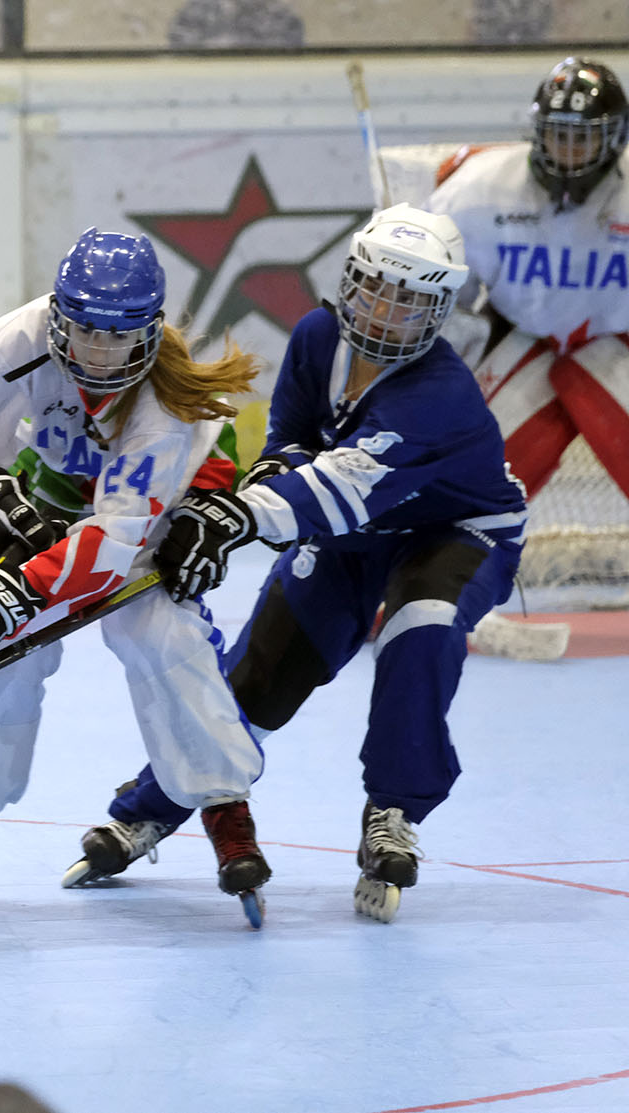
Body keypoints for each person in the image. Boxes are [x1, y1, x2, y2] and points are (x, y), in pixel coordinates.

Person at [144, 203, 527, 922]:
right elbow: (288, 441)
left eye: (412, 300)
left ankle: (392, 809)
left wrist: (238, 517)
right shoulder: (317, 336)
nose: (387, 311)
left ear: (440, 312)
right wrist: (248, 496)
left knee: (422, 629)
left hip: (454, 532)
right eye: (377, 287)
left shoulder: (439, 392)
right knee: (264, 671)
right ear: (350, 279)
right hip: (356, 530)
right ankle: (149, 808)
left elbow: (337, 485)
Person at [0, 229, 271, 924]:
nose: (98, 353)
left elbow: (115, 541)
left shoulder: (163, 405)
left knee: (168, 642)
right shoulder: (16, 338)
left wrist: (15, 592)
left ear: (150, 330)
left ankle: (226, 812)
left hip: (158, 518)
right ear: (58, 314)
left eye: (118, 337)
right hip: (53, 508)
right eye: (84, 330)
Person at [426, 56, 629, 525]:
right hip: (523, 337)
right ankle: (432, 592)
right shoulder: (475, 189)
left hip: (618, 338)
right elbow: (437, 292)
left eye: (584, 138)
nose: (568, 151)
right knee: (462, 488)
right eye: (559, 135)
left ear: (616, 136)